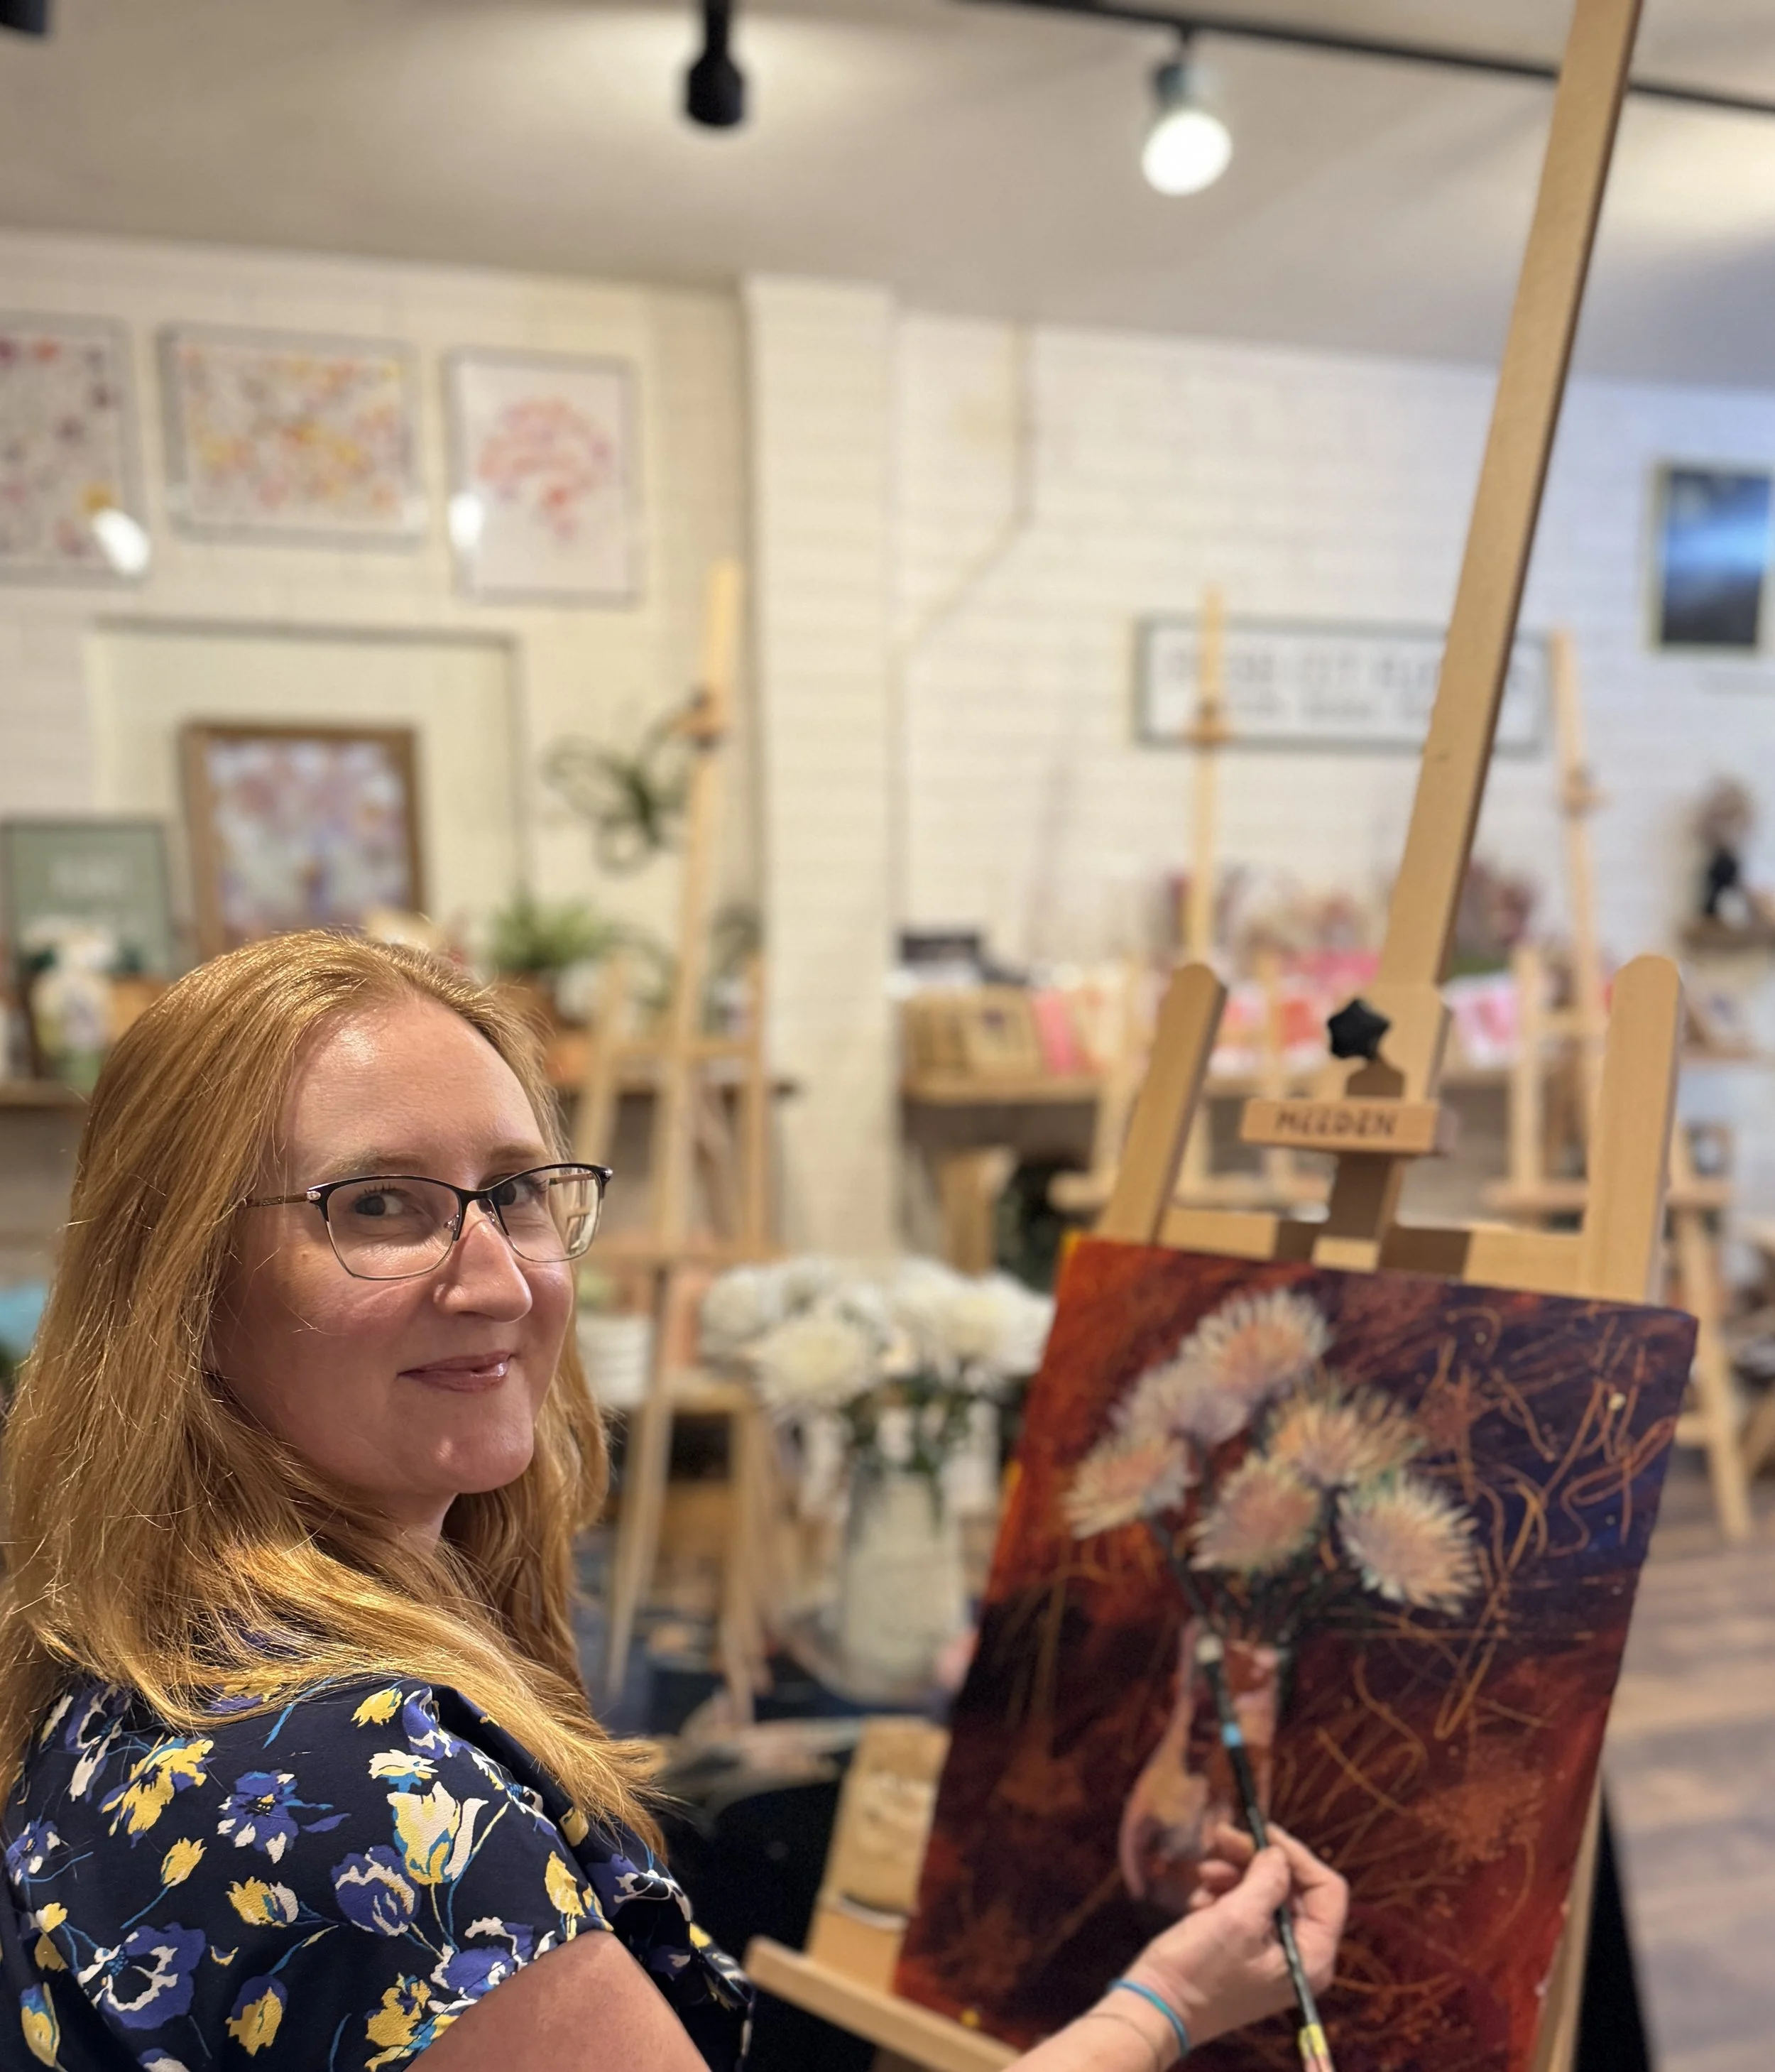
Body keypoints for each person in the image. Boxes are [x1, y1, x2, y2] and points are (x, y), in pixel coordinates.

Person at [0, 932, 1345, 2070]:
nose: (500, 1280)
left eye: (516, 1192)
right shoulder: (357, 1795)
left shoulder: (141, 1651)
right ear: (179, 1277)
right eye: (382, 1205)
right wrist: (1159, 2011)